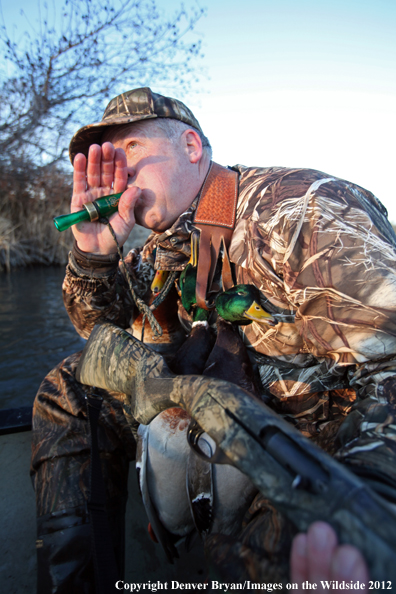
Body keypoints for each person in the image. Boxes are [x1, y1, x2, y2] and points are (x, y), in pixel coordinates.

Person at [31, 87, 396, 592]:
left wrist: (358, 503)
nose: (118, 171)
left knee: (263, 559)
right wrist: (94, 253)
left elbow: (390, 366)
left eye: (131, 149)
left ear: (191, 147)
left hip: (308, 449)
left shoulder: (304, 212)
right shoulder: (160, 250)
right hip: (212, 421)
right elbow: (102, 341)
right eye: (108, 159)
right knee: (71, 389)